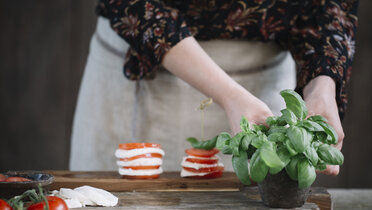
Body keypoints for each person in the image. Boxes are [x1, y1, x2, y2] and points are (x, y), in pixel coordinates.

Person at [69, 0, 358, 176]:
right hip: (144, 68)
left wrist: (322, 83)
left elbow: (331, 6)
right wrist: (228, 94)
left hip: (263, 84)